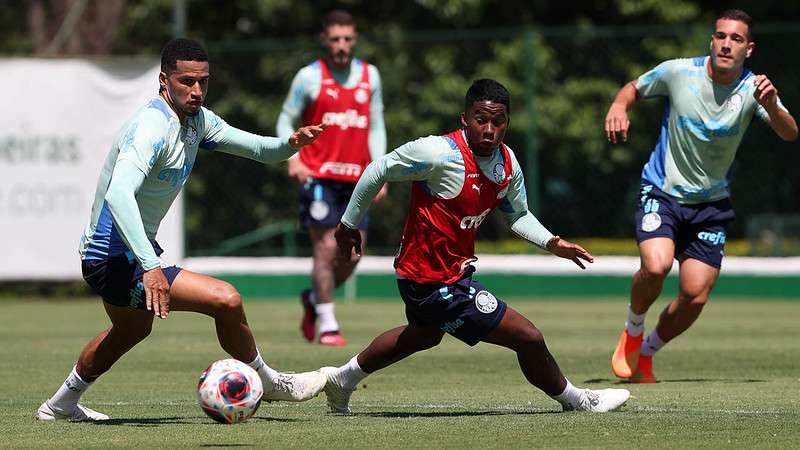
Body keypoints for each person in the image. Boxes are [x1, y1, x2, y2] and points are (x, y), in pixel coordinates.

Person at [36, 38, 330, 422]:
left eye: (203, 82)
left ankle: (59, 404)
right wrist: (150, 266)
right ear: (164, 80)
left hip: (121, 255)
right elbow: (119, 194)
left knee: (129, 332)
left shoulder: (199, 121)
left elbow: (259, 149)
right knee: (226, 299)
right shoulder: (151, 128)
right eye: (186, 81)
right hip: (110, 256)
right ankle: (269, 383)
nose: (196, 91)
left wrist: (290, 144)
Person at [318, 79, 631, 414]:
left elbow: (518, 215)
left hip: (443, 276)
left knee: (424, 335)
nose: (489, 129)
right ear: (464, 118)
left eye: (498, 122)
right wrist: (348, 224)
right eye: (481, 119)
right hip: (432, 281)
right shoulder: (437, 153)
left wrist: (552, 243)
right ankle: (578, 401)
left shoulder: (507, 163)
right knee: (528, 337)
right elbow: (378, 169)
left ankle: (343, 379)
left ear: (507, 123)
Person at [606, 9, 798, 383]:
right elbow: (633, 88)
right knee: (657, 265)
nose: (727, 44)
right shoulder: (678, 72)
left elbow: (790, 133)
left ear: (749, 49)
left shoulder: (754, 90)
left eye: (736, 39)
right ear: (712, 40)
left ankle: (645, 354)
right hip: (662, 191)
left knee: (695, 294)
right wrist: (618, 105)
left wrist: (772, 104)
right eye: (721, 36)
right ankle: (632, 328)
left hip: (710, 205)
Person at [276, 10, 387, 347]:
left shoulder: (371, 76)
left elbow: (376, 125)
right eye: (335, 39)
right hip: (319, 177)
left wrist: (380, 171)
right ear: (325, 40)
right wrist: (293, 158)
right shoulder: (309, 77)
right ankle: (327, 322)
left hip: (357, 180)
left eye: (348, 39)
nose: (342, 45)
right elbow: (285, 119)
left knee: (352, 254)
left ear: (355, 39)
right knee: (325, 249)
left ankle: (313, 299)